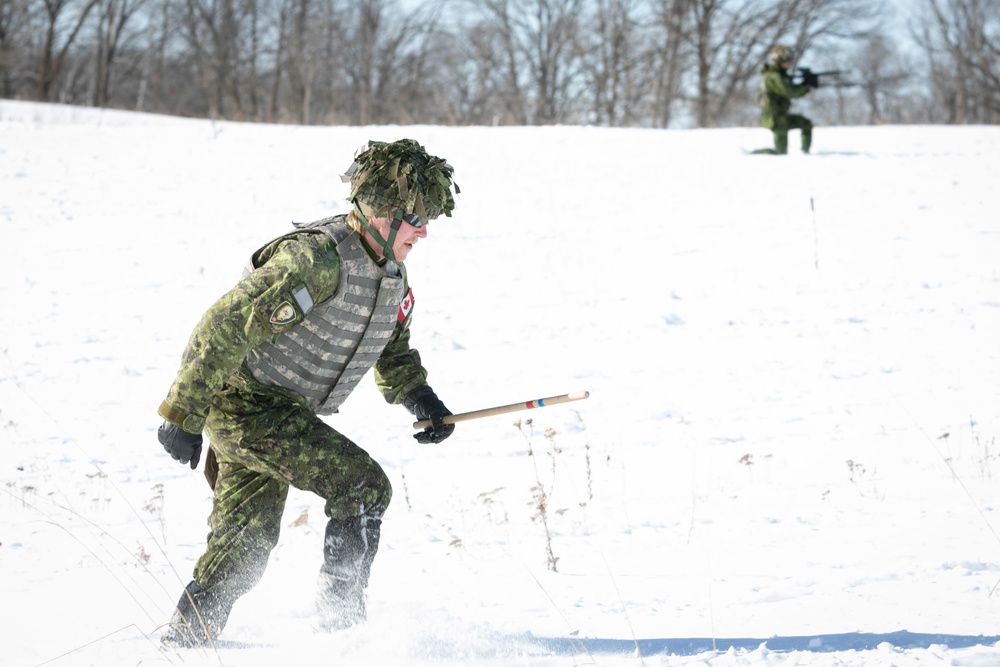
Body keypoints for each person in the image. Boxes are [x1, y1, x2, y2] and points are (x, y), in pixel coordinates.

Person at [155, 138, 460, 647]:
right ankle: (342, 631)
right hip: (245, 405)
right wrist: (182, 413)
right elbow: (224, 325)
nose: (425, 232)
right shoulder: (316, 261)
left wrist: (420, 399)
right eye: (417, 219)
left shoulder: (392, 278)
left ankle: (184, 642)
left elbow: (394, 350)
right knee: (363, 488)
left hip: (279, 410)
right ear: (384, 213)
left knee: (243, 550)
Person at [752, 45, 815, 155]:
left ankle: (805, 152)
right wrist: (805, 86)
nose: (789, 63)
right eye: (787, 60)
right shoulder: (774, 76)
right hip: (774, 118)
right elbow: (789, 92)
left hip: (781, 116)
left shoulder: (781, 75)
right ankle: (751, 155)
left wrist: (806, 85)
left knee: (806, 123)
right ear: (779, 60)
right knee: (780, 152)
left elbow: (790, 90)